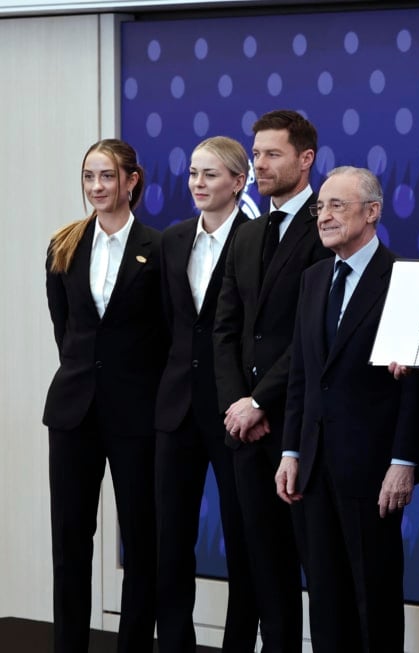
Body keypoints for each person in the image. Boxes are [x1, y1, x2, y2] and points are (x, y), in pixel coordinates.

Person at [275, 167, 419, 652]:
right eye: (320, 207)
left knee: (374, 600)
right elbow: (303, 375)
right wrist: (290, 450)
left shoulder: (407, 280)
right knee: (325, 602)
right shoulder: (313, 279)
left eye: (337, 206)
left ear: (372, 212)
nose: (324, 216)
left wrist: (403, 462)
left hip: (372, 471)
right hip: (314, 467)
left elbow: (418, 387)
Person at [44, 138, 166, 652]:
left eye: (107, 176)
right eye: (89, 176)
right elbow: (66, 331)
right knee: (70, 541)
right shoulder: (64, 244)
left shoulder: (160, 249)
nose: (96, 187)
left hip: (136, 413)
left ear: (131, 181)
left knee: (141, 541)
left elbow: (166, 334)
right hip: (73, 411)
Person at [213, 110, 326, 652]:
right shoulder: (247, 233)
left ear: (306, 159)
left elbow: (314, 334)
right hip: (246, 433)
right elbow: (226, 330)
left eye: (272, 154)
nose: (260, 164)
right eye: (256, 154)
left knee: (320, 572)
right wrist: (238, 403)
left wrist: (260, 400)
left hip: (301, 430)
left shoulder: (328, 227)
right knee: (266, 572)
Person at [155, 136, 258, 652]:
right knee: (170, 540)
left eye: (210, 174)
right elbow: (163, 326)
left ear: (239, 182)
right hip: (175, 410)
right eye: (193, 173)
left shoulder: (256, 239)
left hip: (232, 411)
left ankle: (238, 644)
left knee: (244, 540)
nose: (198, 183)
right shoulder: (172, 239)